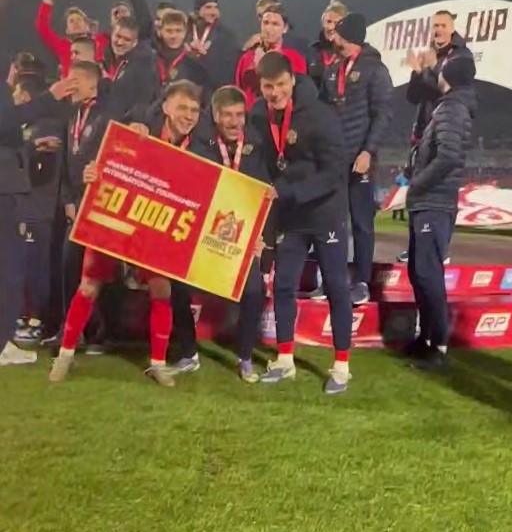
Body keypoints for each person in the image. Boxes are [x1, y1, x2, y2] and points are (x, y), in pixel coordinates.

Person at [49, 80, 203, 386]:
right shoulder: (139, 131)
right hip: (118, 216)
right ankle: (65, 355)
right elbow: (105, 158)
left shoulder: (197, 146)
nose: (189, 115)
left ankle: (157, 363)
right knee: (89, 285)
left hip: (154, 225)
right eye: (182, 108)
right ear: (165, 107)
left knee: (162, 289)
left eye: (195, 110)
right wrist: (92, 172)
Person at [248, 52, 353, 395]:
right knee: (283, 286)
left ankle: (341, 366)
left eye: (280, 84)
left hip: (325, 214)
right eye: (268, 87)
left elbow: (334, 173)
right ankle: (285, 360)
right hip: (292, 218)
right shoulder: (260, 114)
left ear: (292, 80)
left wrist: (288, 191)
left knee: (336, 287)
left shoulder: (321, 115)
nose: (275, 92)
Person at [170, 85, 271, 383]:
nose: (234, 122)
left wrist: (261, 238)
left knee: (254, 291)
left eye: (239, 115)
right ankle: (188, 353)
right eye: (227, 115)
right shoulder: (199, 144)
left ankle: (245, 357)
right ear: (215, 115)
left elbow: (265, 192)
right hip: (203, 235)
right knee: (176, 284)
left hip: (242, 237)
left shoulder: (257, 144)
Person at [405, 56, 477, 371]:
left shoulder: (452, 109)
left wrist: (418, 181)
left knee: (428, 274)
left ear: (448, 75)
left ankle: (439, 345)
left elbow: (447, 157)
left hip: (434, 202)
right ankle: (426, 339)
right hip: (428, 201)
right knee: (418, 272)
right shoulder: (447, 106)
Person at [0, 73, 73, 366]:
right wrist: (48, 98)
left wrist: (31, 147)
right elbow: (6, 120)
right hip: (4, 192)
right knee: (10, 272)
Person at [322, 13, 393, 306]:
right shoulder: (332, 68)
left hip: (359, 159)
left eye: (337, 33)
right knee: (332, 222)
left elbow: (383, 114)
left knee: (362, 223)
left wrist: (367, 152)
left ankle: (362, 282)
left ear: (348, 36)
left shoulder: (375, 69)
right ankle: (333, 280)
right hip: (334, 160)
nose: (332, 37)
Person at [397, 10, 474, 263]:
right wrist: (418, 71)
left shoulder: (461, 57)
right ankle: (415, 244)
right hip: (424, 129)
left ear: (452, 29)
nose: (437, 30)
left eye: (442, 25)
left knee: (440, 186)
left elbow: (444, 92)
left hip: (445, 126)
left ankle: (442, 248)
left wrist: (427, 69)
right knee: (418, 190)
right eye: (434, 26)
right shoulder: (432, 55)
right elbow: (413, 96)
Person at [11, 74, 64, 344]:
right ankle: (23, 316)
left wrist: (30, 149)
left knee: (37, 267)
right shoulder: (26, 128)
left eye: (16, 93)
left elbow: (42, 169)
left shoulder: (46, 126)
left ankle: (37, 320)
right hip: (26, 207)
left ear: (26, 95)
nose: (13, 98)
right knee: (24, 265)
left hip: (39, 208)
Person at [236, 4, 307, 109]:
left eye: (275, 24)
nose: (269, 29)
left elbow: (300, 94)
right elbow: (239, 92)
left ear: (285, 28)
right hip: (253, 115)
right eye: (266, 23)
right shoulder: (246, 59)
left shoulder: (294, 58)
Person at [35, 0, 108, 76]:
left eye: (79, 19)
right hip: (71, 85)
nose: (76, 23)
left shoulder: (100, 41)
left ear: (87, 25)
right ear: (67, 30)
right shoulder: (64, 46)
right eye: (71, 21)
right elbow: (42, 27)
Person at [104, 16, 160, 117]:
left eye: (127, 39)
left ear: (135, 42)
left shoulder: (143, 67)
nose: (120, 42)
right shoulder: (118, 60)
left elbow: (143, 104)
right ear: (111, 34)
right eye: (118, 36)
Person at [188, 0, 240, 91]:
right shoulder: (185, 32)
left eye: (216, 7)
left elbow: (229, 71)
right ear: (197, 10)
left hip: (213, 92)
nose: (213, 12)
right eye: (208, 7)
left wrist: (206, 57)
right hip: (187, 92)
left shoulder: (226, 36)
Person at [155, 11, 209, 99]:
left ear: (185, 32)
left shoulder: (195, 64)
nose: (173, 36)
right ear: (160, 32)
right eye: (169, 31)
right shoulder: (150, 59)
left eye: (178, 31)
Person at [308, 0, 348, 89]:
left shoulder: (350, 52)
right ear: (322, 22)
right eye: (328, 21)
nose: (331, 27)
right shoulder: (312, 51)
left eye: (336, 23)